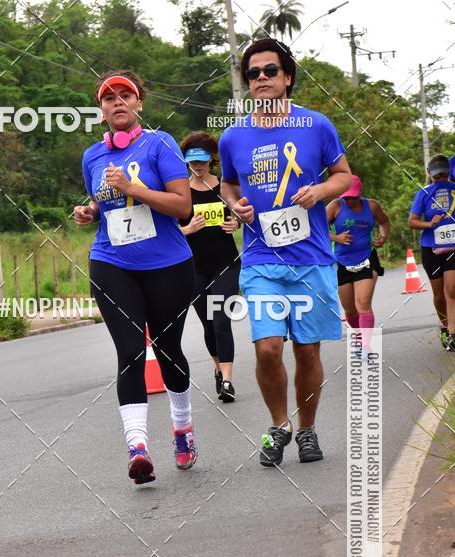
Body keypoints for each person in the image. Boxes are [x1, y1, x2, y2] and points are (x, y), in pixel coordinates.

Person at [219, 39, 352, 467]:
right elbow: (228, 184)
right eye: (253, 73)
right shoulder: (233, 136)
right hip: (261, 259)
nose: (261, 78)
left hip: (311, 257)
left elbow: (344, 177)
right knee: (267, 348)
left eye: (270, 71)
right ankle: (279, 426)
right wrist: (235, 205)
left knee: (308, 350)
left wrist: (320, 190)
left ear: (287, 77)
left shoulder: (317, 125)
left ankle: (308, 430)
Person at [74, 70, 198, 484]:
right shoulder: (93, 156)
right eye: (109, 98)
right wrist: (90, 212)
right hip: (112, 263)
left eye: (125, 95)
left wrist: (134, 187)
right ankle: (138, 448)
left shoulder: (160, 145)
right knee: (129, 352)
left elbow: (182, 207)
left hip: (168, 265)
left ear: (139, 102)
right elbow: (103, 202)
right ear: (102, 111)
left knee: (168, 351)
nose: (117, 102)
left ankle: (182, 428)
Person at [178, 131, 241, 402]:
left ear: (212, 159)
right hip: (194, 267)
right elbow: (169, 231)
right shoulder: (180, 192)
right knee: (207, 323)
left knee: (221, 319)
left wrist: (235, 223)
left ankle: (227, 380)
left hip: (226, 263)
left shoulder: (224, 187)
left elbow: (240, 212)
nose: (198, 166)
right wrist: (188, 229)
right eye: (192, 161)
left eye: (202, 160)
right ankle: (218, 368)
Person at [326, 174, 390, 343]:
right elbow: (317, 228)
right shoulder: (335, 206)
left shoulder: (372, 206)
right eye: (346, 198)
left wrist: (383, 238)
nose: (349, 201)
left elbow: (384, 222)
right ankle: (360, 336)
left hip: (367, 258)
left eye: (353, 198)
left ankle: (368, 344)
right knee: (350, 309)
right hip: (341, 262)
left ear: (359, 193)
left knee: (362, 303)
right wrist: (336, 237)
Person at [408, 153, 455, 351]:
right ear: (429, 174)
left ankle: (453, 333)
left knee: (452, 289)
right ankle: (445, 326)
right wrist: (429, 223)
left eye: (444, 175)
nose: (440, 179)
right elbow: (412, 221)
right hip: (431, 248)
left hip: (453, 247)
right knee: (439, 295)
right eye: (437, 176)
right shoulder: (424, 193)